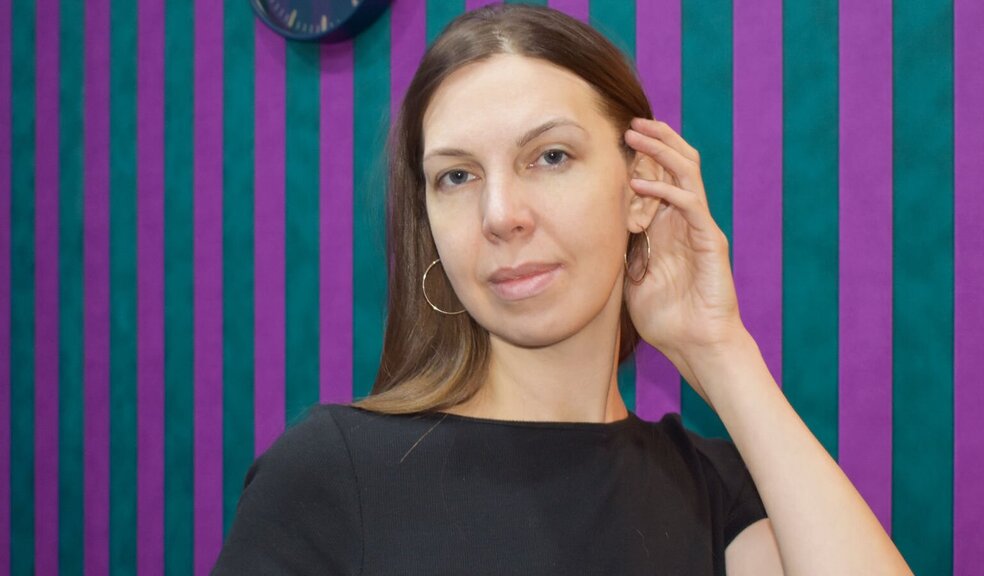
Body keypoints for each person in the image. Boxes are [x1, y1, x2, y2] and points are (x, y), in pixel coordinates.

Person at [213, 4, 912, 574]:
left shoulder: (714, 491)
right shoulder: (332, 476)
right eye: (457, 176)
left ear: (641, 188)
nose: (500, 215)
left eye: (550, 156)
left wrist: (719, 350)